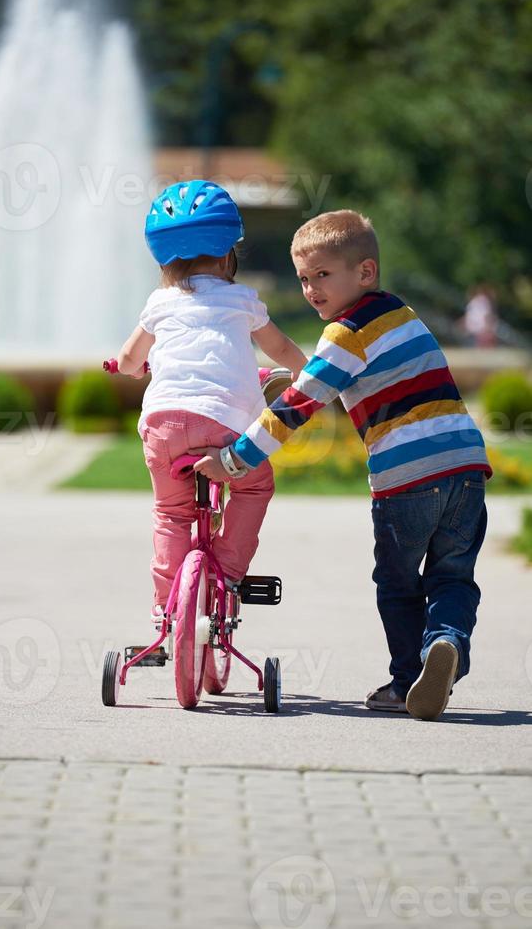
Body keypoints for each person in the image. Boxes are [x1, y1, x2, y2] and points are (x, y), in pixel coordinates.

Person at [193, 210, 492, 721]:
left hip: (406, 480)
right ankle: (446, 644)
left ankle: (405, 683)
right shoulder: (401, 314)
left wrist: (235, 459)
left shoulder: (344, 333)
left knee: (398, 584)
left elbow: (297, 406)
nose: (310, 289)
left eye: (323, 276)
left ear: (365, 273)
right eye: (303, 278)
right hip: (465, 467)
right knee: (453, 578)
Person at [116, 179, 307, 623]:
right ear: (227, 255)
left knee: (171, 513)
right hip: (223, 423)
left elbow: (129, 360)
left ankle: (166, 611)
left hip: (163, 423)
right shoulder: (242, 300)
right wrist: (303, 372)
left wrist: (131, 368)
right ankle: (228, 574)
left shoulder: (159, 302)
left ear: (163, 259)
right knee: (254, 485)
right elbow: (279, 350)